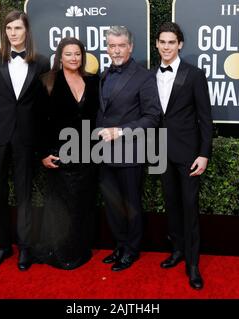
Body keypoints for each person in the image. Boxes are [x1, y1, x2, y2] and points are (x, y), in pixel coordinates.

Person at [0, 10, 49, 271]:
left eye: (17, 28)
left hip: (26, 139)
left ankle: (25, 249)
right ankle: (4, 246)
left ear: (26, 31)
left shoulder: (41, 63)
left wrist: (43, 144)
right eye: (9, 29)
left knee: (24, 196)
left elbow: (43, 109)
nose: (13, 33)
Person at [97, 26, 161, 271]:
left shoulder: (143, 76)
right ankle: (120, 245)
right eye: (112, 45)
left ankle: (132, 250)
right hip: (102, 153)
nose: (116, 50)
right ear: (107, 47)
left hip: (130, 152)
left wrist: (120, 131)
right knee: (112, 205)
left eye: (121, 45)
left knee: (131, 204)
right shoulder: (104, 74)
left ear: (130, 46)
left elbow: (152, 117)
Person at [155, 22, 213, 289]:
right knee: (172, 205)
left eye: (171, 42)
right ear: (157, 44)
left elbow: (205, 119)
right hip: (159, 153)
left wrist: (204, 154)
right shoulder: (150, 75)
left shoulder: (194, 75)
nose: (166, 47)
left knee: (189, 208)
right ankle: (177, 250)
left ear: (180, 45)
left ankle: (193, 263)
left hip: (188, 153)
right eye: (162, 42)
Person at [33, 37, 100, 270]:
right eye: (69, 54)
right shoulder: (47, 81)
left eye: (78, 54)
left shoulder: (93, 82)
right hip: (59, 155)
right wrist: (42, 153)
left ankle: (80, 249)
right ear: (60, 57)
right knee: (62, 207)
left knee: (83, 204)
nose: (74, 58)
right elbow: (38, 122)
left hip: (88, 155)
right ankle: (62, 253)